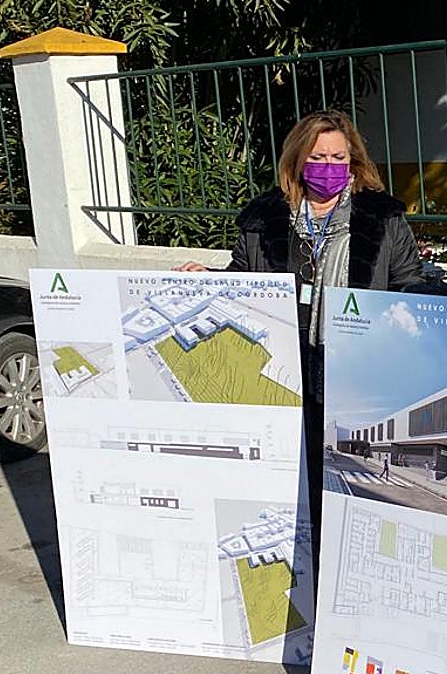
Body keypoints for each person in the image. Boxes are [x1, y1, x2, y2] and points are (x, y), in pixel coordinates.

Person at [177, 110, 423, 569]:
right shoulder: (264, 220)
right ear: (296, 159)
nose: (329, 167)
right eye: (317, 157)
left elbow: (410, 285)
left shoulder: (382, 217)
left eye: (338, 157)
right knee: (291, 482)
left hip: (353, 371)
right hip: (285, 371)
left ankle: (346, 572)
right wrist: (205, 278)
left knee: (346, 489)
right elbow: (242, 283)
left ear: (353, 160)